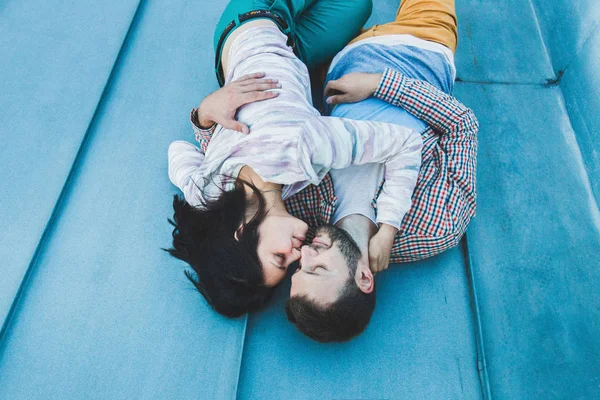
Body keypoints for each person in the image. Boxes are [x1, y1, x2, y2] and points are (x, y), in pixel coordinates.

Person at [166, 0, 423, 318]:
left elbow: (406, 143)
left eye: (279, 257)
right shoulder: (208, 194)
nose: (298, 253)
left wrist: (206, 112)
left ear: (242, 233)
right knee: (359, 5)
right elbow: (182, 152)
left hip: (255, 14)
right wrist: (208, 125)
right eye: (292, 266)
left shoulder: (303, 147)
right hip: (292, 49)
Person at [285, 0, 479, 342]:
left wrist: (204, 122)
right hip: (419, 46)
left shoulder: (301, 209)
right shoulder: (437, 227)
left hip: (341, 55)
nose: (304, 253)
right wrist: (380, 84)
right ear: (363, 278)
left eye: (301, 267)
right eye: (317, 268)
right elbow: (462, 126)